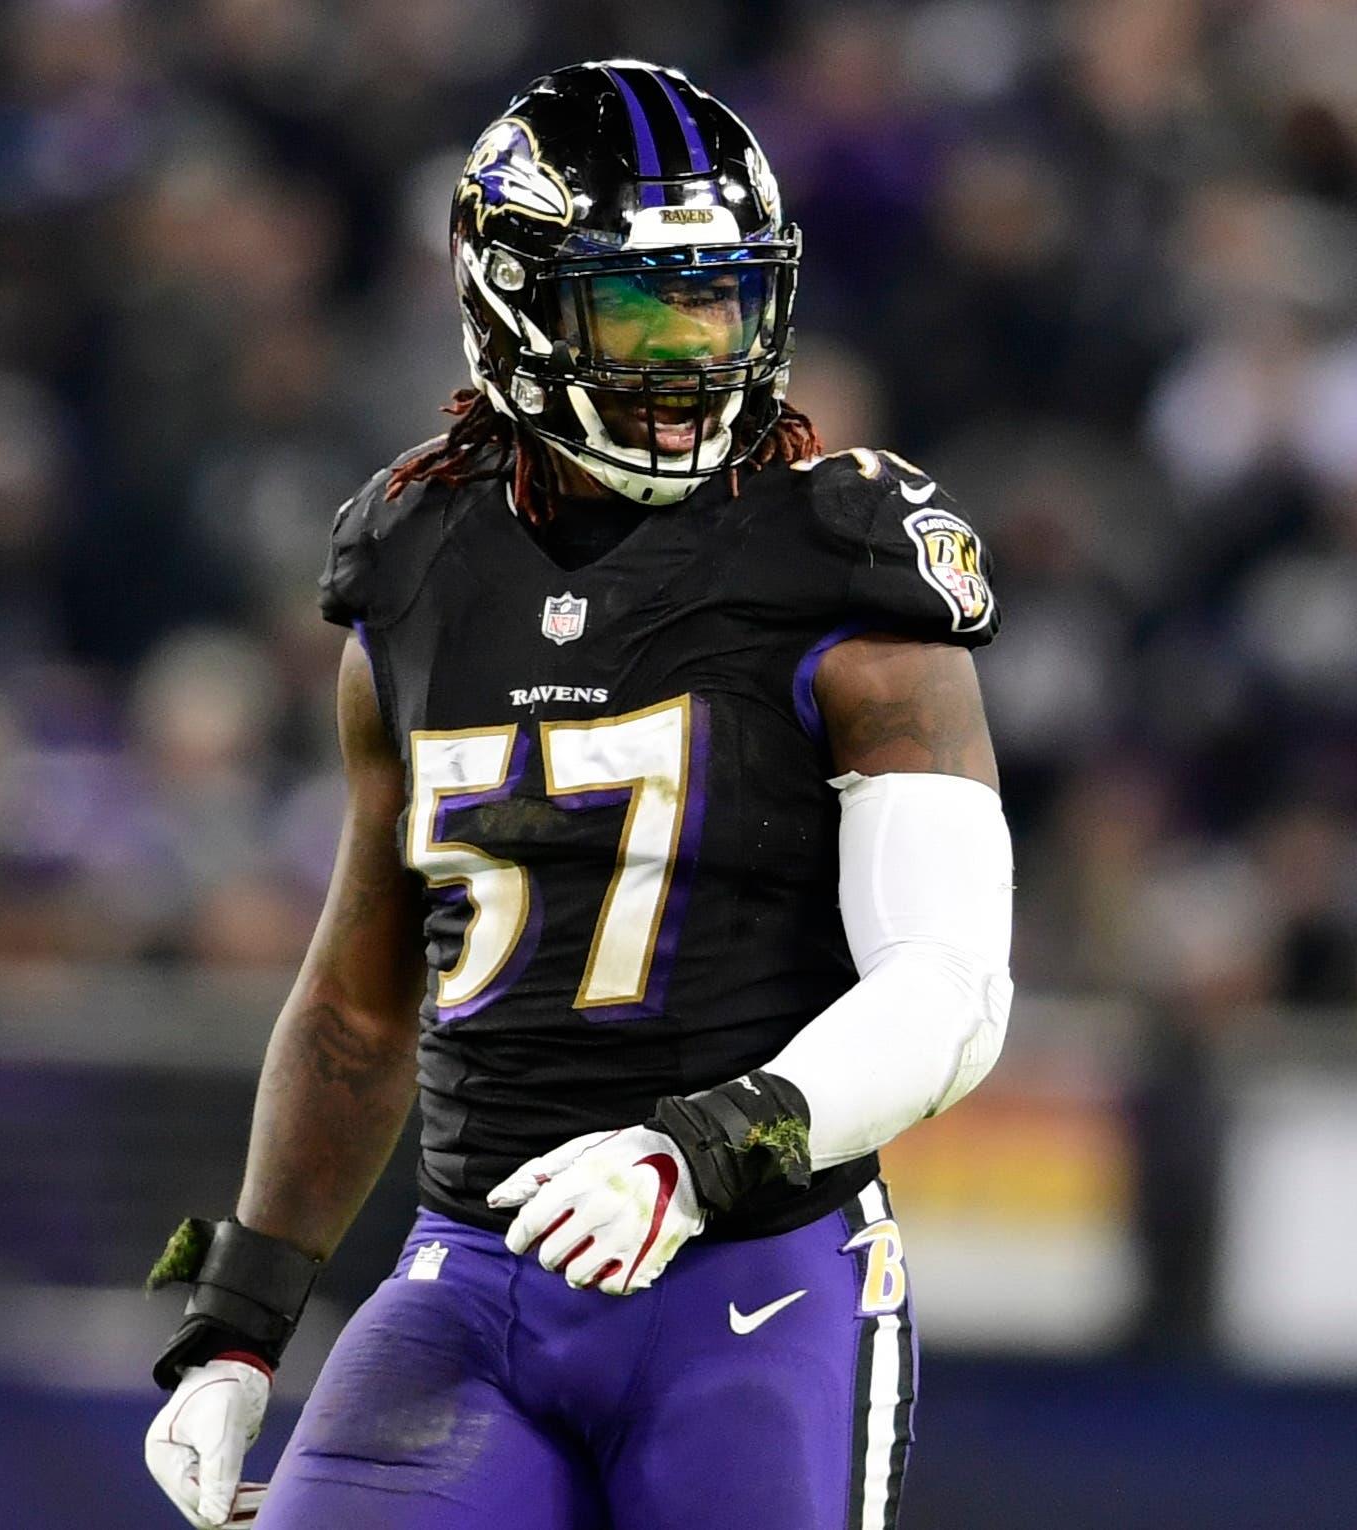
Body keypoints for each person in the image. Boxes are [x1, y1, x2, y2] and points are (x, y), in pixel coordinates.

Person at [145, 62, 1013, 1530]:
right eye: (641, 308)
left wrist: (703, 1144)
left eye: (721, 303)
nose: (693, 356)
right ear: (515, 306)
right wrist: (237, 1312)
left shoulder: (846, 568)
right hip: (470, 1278)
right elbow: (362, 1006)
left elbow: (954, 987)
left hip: (754, 1276)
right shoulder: (417, 569)